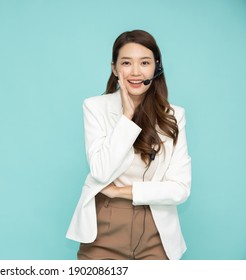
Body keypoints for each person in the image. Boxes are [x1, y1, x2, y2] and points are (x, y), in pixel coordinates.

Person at [66, 30, 191, 260]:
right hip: (104, 228)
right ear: (114, 68)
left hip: (156, 230)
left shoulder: (174, 115)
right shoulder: (95, 107)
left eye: (144, 62)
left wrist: (121, 191)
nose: (135, 72)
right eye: (126, 63)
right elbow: (101, 170)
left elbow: (180, 188)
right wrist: (126, 115)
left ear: (156, 67)